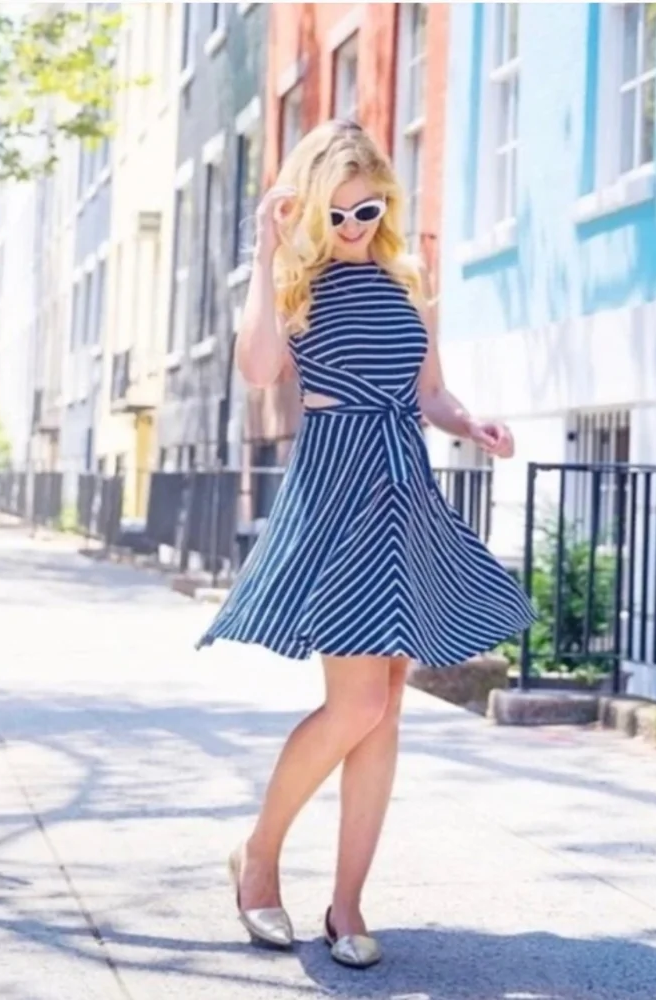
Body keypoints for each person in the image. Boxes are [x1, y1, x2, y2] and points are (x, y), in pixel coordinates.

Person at [196, 120, 536, 969]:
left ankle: (347, 903)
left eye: (366, 211)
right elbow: (260, 371)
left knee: (384, 711)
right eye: (337, 213)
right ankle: (259, 857)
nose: (352, 227)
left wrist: (473, 423)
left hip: (403, 488)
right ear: (311, 208)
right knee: (359, 705)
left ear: (385, 203)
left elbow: (431, 392)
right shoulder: (296, 285)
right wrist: (269, 253)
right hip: (338, 488)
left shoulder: (407, 285)